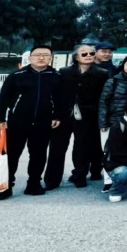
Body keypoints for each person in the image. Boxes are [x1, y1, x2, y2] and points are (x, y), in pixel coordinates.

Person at [0, 43, 62, 200]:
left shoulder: (56, 77)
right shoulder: (17, 75)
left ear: (51, 58)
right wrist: (0, 119)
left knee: (38, 155)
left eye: (46, 55)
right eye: (37, 55)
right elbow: (3, 98)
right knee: (11, 155)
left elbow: (60, 100)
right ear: (30, 57)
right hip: (17, 123)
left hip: (43, 123)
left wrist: (57, 116)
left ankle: (34, 184)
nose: (41, 57)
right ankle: (5, 186)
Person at [49, 43, 110, 189]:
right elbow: (57, 95)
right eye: (84, 54)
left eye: (91, 53)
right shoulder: (64, 72)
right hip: (64, 114)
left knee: (82, 147)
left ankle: (79, 176)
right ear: (76, 57)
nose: (89, 56)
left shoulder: (102, 73)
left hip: (88, 115)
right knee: (57, 147)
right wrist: (56, 115)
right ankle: (52, 180)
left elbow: (104, 97)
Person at [98, 56, 127, 168]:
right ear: (123, 65)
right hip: (114, 121)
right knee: (109, 150)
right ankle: (108, 176)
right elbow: (103, 102)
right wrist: (103, 123)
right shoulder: (113, 81)